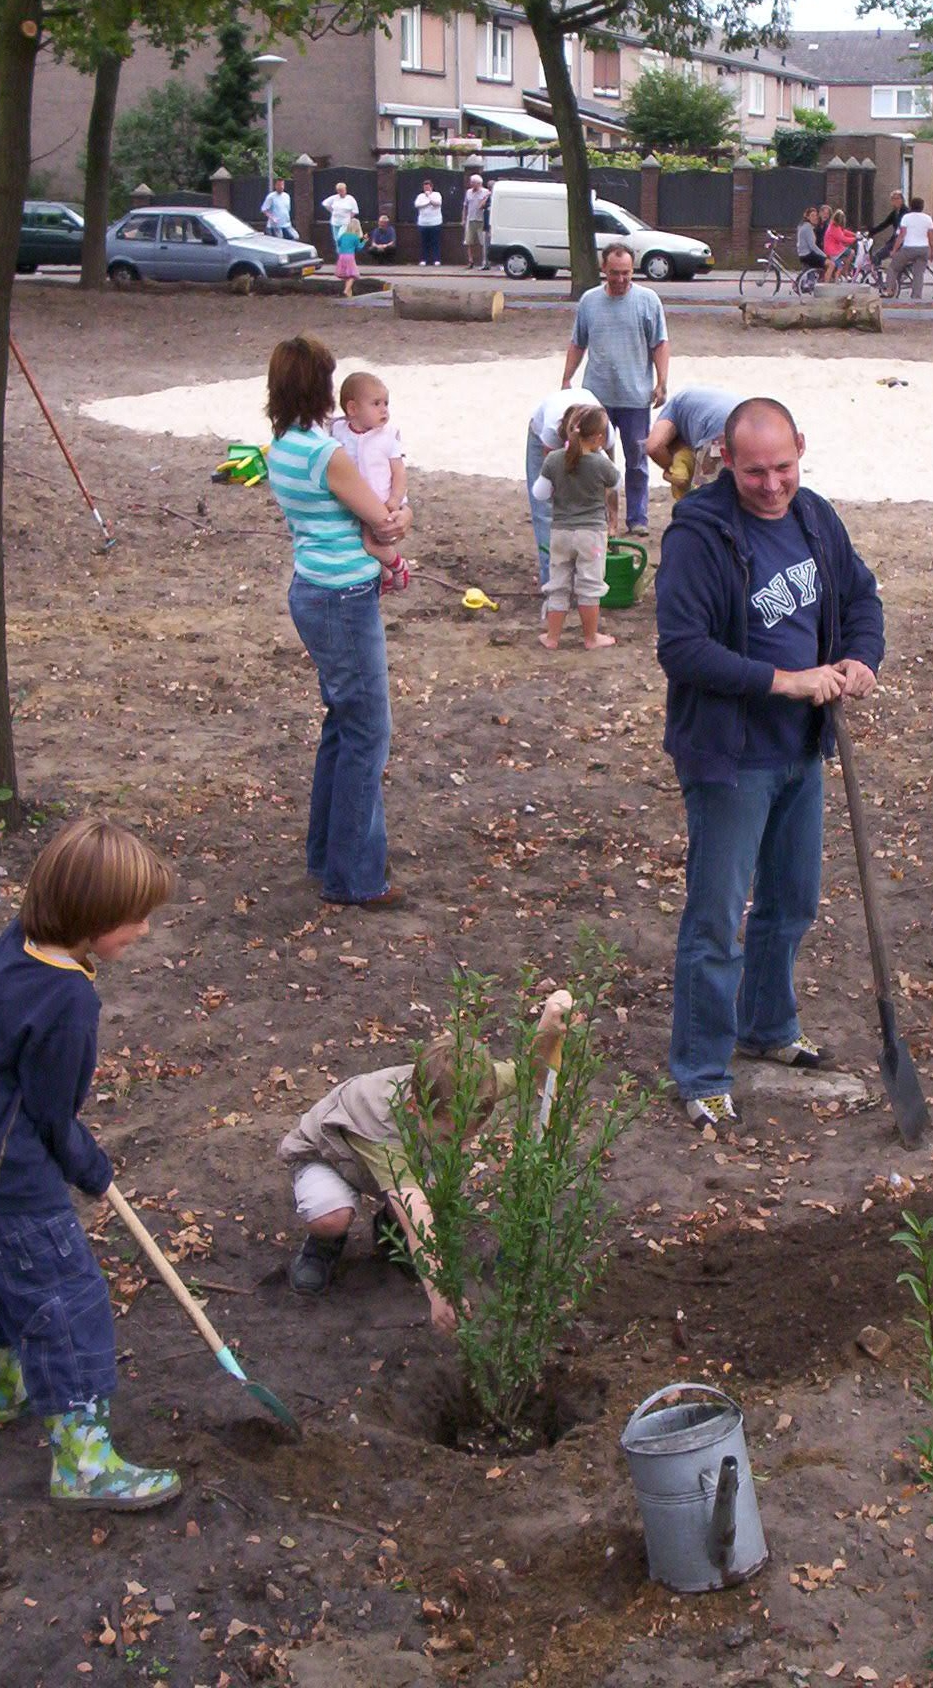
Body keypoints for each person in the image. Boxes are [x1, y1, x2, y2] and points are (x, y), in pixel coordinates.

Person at [0, 817, 182, 1510]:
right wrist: (92, 1167)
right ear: (92, 919)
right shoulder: (68, 1001)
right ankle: (84, 1460)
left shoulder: (18, 944)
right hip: (6, 1170)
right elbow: (51, 1117)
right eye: (135, 919)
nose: (145, 930)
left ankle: (6, 1388)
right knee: (66, 1298)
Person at [656, 398, 884, 1133]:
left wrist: (858, 657)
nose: (772, 484)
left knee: (791, 901)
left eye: (784, 467)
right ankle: (701, 1070)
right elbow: (681, 649)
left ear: (801, 449)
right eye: (755, 471)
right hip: (730, 757)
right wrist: (783, 682)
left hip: (802, 750)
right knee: (718, 918)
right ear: (724, 456)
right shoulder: (700, 534)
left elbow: (860, 597)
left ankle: (767, 1026)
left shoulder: (814, 517)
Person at [281, 990, 574, 1312]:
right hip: (331, 1159)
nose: (460, 1145)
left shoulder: (472, 1086)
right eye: (451, 1137)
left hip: (402, 1158)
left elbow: (525, 1070)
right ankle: (323, 1245)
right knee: (332, 1214)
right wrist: (439, 1291)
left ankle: (389, 1232)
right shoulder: (382, 1123)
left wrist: (548, 1023)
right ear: (413, 1107)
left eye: (467, 1136)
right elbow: (414, 1206)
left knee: (441, 1184)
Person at [266, 336, 412, 911]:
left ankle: (326, 851)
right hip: (343, 597)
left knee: (341, 722)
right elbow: (382, 519)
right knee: (368, 733)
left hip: (311, 588)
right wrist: (401, 514)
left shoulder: (282, 446)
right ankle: (354, 877)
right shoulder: (326, 454)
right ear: (318, 387)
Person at [561, 242, 669, 535]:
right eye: (614, 274)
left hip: (635, 397)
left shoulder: (648, 301)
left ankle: (638, 518)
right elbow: (578, 342)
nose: (621, 280)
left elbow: (659, 343)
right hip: (597, 399)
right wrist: (567, 379)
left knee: (636, 461)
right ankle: (601, 517)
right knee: (595, 462)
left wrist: (661, 382)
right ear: (603, 270)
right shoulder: (589, 301)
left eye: (626, 274)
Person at [532, 405, 622, 651]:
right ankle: (591, 637)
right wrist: (600, 453)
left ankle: (552, 637)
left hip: (560, 532)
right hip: (591, 534)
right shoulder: (599, 464)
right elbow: (617, 481)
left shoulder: (554, 459)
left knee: (558, 584)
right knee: (590, 585)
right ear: (599, 437)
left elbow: (539, 494)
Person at [524, 385, 613, 587]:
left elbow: (610, 480)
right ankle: (554, 579)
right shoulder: (550, 432)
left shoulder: (604, 433)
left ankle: (588, 575)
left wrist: (611, 519)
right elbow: (550, 487)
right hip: (542, 438)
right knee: (546, 510)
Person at [331, 370, 411, 592]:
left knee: (372, 543)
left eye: (386, 403)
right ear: (353, 409)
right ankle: (384, 575)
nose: (384, 409)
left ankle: (398, 566)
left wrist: (395, 500)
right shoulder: (339, 431)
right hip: (351, 500)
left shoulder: (387, 436)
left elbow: (399, 472)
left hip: (380, 502)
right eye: (376, 403)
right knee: (357, 543)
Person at [647, 384, 740, 501]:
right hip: (748, 417)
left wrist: (672, 470)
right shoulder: (686, 401)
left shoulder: (673, 409)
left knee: (703, 500)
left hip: (718, 430)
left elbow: (654, 447)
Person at [891, 196, 933, 299]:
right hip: (923, 249)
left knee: (892, 268)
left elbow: (901, 235)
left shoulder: (906, 218)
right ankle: (916, 296)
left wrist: (894, 250)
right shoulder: (928, 218)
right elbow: (931, 238)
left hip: (908, 249)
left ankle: (889, 290)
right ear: (922, 207)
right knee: (919, 274)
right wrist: (931, 252)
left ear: (911, 206)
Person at [461, 172, 490, 270]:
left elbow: (484, 206)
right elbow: (465, 206)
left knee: (483, 242)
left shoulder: (486, 192)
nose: (471, 184)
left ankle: (484, 261)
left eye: (473, 182)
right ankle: (471, 261)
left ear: (478, 183)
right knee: (469, 241)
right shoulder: (468, 192)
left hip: (481, 220)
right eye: (471, 182)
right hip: (471, 219)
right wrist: (463, 219)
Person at [868, 188, 906, 259]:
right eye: (893, 199)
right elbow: (884, 224)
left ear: (902, 200)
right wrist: (870, 232)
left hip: (902, 240)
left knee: (878, 256)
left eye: (898, 199)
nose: (896, 201)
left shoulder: (906, 212)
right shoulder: (894, 213)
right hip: (896, 239)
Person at [821, 207, 856, 281]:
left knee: (848, 254)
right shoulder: (834, 228)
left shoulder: (834, 225)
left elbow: (844, 231)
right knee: (851, 252)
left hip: (834, 248)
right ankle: (845, 272)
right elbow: (843, 238)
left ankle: (843, 271)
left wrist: (855, 234)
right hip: (833, 250)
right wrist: (855, 239)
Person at [414, 178, 444, 265]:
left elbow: (437, 203)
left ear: (431, 187)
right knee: (424, 242)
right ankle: (424, 259)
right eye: (425, 188)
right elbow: (417, 205)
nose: (426, 190)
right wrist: (428, 203)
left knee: (435, 242)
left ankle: (436, 259)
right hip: (423, 223)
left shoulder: (437, 194)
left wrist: (429, 197)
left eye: (428, 188)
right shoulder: (420, 196)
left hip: (435, 222)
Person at [335, 213, 364, 298]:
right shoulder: (355, 237)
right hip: (350, 256)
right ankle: (346, 291)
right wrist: (364, 240)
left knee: (347, 275)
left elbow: (339, 243)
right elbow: (359, 247)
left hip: (341, 256)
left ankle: (349, 295)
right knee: (353, 275)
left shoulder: (343, 235)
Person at [794, 207, 826, 279]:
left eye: (816, 215)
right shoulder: (807, 227)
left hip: (803, 254)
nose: (815, 218)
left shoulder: (804, 226)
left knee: (809, 273)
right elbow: (812, 246)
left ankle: (805, 283)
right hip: (807, 255)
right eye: (812, 216)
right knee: (830, 264)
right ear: (807, 217)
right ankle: (825, 285)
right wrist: (824, 255)